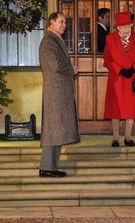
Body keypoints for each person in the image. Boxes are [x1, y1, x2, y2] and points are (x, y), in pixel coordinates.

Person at [39, 12, 80, 178]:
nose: (64, 25)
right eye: (61, 22)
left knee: (56, 130)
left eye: (65, 22)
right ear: (52, 22)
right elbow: (56, 65)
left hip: (59, 90)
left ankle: (52, 167)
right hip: (55, 91)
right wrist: (72, 69)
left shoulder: (54, 39)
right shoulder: (49, 41)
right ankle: (47, 168)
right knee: (53, 130)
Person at [104, 11, 135, 147]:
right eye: (123, 27)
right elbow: (107, 59)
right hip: (117, 79)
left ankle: (128, 137)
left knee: (131, 109)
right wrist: (120, 69)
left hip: (132, 78)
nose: (126, 29)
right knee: (116, 109)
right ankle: (115, 138)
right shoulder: (110, 39)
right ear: (117, 27)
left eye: (129, 26)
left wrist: (134, 68)